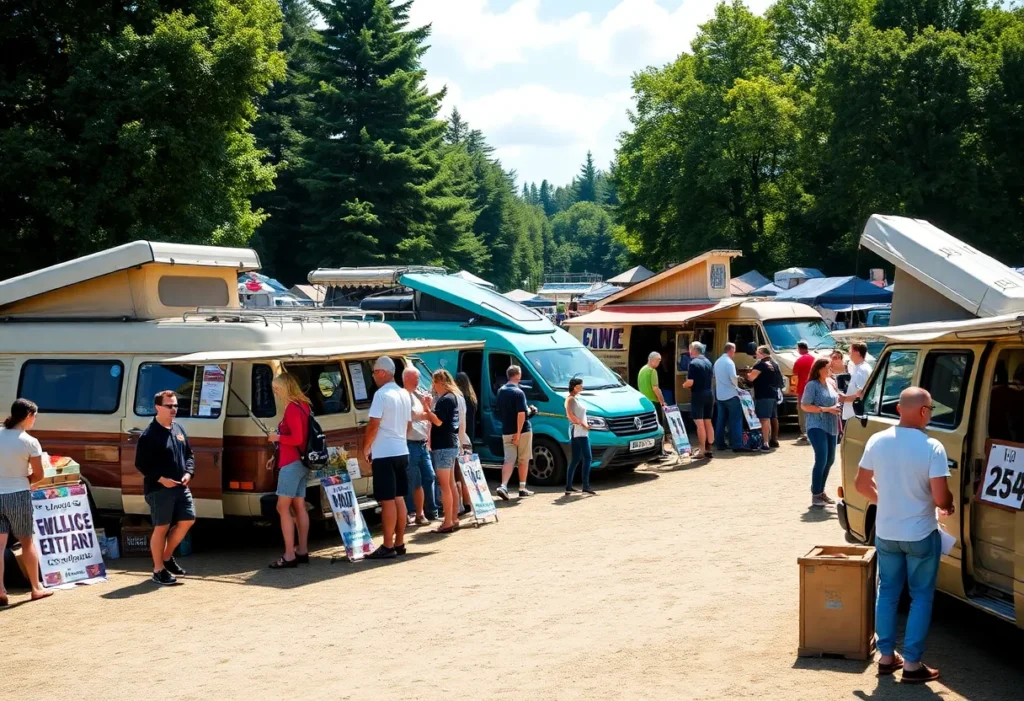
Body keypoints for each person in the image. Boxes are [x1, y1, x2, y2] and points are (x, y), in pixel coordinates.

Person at [854, 387, 953, 684]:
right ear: (924, 412)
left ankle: (886, 657)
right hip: (920, 533)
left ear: (898, 408)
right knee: (921, 596)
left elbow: (861, 484)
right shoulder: (932, 446)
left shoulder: (877, 439)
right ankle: (912, 664)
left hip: (886, 531)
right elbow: (940, 498)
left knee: (888, 592)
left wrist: (885, 501)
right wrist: (947, 505)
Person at [135, 390, 197, 585]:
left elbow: (189, 455)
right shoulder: (149, 434)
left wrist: (188, 473)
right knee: (161, 527)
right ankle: (158, 570)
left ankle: (167, 557)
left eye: (176, 405)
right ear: (158, 407)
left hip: (180, 486)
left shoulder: (178, 429)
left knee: (188, 520)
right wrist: (161, 479)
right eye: (169, 406)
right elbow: (141, 464)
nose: (174, 409)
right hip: (159, 488)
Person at [0, 399, 53, 603]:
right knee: (27, 542)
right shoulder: (29, 441)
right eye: (35, 416)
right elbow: (39, 474)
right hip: (18, 495)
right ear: (29, 416)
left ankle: (1, 590)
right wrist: (24, 479)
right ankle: (35, 587)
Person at [361, 356, 412, 559]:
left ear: (382, 372)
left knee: (387, 500)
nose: (373, 376)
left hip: (385, 452)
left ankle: (388, 545)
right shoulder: (404, 394)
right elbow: (408, 426)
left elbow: (373, 424)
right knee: (399, 497)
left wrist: (366, 448)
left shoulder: (381, 395)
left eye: (373, 372)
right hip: (401, 449)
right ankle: (399, 541)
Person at [267, 373, 313, 569]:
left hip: (291, 464)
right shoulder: (304, 405)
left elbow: (296, 439)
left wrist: (276, 438)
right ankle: (301, 550)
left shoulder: (292, 408)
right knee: (299, 506)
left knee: (282, 507)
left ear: (286, 387)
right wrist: (275, 455)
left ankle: (289, 554)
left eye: (277, 388)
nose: (276, 392)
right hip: (300, 462)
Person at [801, 359, 842, 508]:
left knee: (830, 460)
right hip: (816, 425)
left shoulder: (831, 383)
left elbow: (837, 398)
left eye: (830, 367)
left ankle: (821, 491)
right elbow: (805, 405)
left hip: (831, 426)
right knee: (821, 459)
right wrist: (826, 409)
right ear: (818, 369)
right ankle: (816, 494)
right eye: (826, 368)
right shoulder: (812, 385)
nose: (829, 370)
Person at [401, 367, 437, 527]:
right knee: (413, 480)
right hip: (410, 443)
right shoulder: (403, 396)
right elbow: (411, 416)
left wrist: (426, 406)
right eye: (415, 379)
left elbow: (425, 416)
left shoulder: (417, 395)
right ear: (406, 379)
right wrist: (425, 413)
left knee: (429, 476)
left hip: (422, 443)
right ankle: (413, 512)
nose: (418, 382)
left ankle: (430, 510)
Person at [429, 370, 462, 533]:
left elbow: (438, 422)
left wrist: (427, 410)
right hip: (451, 444)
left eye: (434, 383)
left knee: (445, 486)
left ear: (439, 382)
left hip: (443, 446)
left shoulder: (444, 400)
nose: (433, 386)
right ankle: (454, 518)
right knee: (450, 484)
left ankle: (448, 521)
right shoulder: (453, 397)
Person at [495, 365, 535, 501]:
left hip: (506, 430)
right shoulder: (518, 392)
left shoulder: (501, 391)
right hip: (522, 431)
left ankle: (503, 485)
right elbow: (521, 414)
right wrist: (518, 433)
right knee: (523, 459)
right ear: (518, 375)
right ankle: (522, 488)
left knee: (509, 459)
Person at [682, 342, 715, 459]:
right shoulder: (709, 362)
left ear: (694, 350)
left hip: (698, 395)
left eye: (690, 349)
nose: (689, 351)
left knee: (699, 423)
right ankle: (709, 448)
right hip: (709, 394)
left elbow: (691, 382)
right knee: (708, 422)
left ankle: (701, 450)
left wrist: (684, 385)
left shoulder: (693, 363)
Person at [564, 377, 595, 495]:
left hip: (580, 431)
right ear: (574, 387)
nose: (581, 387)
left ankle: (569, 486)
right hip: (579, 432)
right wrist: (583, 425)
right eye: (579, 386)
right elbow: (570, 415)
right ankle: (586, 486)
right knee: (587, 457)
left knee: (576, 459)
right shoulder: (570, 399)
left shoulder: (574, 399)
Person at [747, 346, 781, 451]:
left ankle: (765, 443)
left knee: (764, 419)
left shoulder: (760, 364)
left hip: (763, 394)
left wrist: (747, 374)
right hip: (773, 394)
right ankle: (774, 440)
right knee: (773, 417)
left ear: (761, 353)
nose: (756, 354)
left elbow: (751, 377)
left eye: (757, 352)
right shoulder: (775, 364)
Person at [713, 343, 746, 452]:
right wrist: (739, 385)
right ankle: (737, 444)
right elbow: (733, 378)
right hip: (731, 395)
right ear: (731, 350)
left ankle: (719, 443)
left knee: (720, 420)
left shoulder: (717, 362)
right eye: (734, 350)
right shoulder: (729, 362)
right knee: (736, 419)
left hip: (720, 395)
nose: (735, 353)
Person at [638, 352, 671, 457]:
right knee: (659, 426)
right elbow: (655, 388)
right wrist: (662, 401)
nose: (659, 362)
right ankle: (660, 450)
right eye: (658, 360)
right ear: (652, 360)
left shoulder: (642, 370)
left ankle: (651, 450)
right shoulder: (652, 371)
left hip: (644, 403)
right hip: (653, 402)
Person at [839, 342, 872, 429]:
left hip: (855, 416)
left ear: (857, 352)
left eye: (850, 350)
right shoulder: (859, 368)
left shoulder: (862, 370)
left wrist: (844, 399)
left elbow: (861, 394)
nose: (849, 353)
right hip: (852, 414)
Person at [793, 340, 814, 444]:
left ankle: (804, 432)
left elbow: (795, 372)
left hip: (802, 388)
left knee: (802, 411)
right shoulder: (814, 359)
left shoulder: (799, 360)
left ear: (799, 349)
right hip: (814, 388)